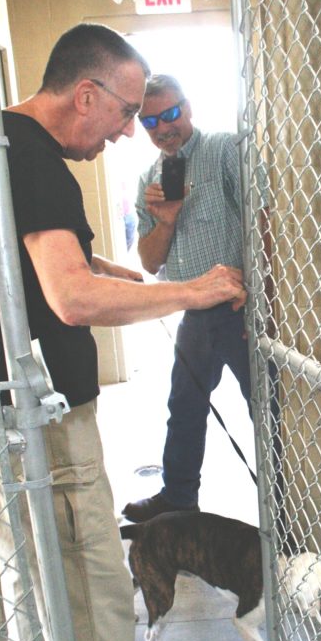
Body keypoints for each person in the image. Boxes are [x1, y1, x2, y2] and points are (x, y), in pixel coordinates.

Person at [0, 24, 246, 641]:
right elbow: (73, 295)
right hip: (39, 408)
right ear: (85, 93)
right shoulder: (38, 162)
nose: (124, 133)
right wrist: (193, 292)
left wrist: (152, 286)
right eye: (121, 114)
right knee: (90, 575)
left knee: (26, 551)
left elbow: (81, 262)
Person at [122, 74, 254, 523]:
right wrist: (166, 220)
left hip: (240, 308)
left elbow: (263, 218)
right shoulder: (149, 180)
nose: (163, 128)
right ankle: (179, 499)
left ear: (189, 106)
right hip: (194, 314)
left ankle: (287, 503)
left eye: (171, 113)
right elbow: (149, 261)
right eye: (150, 120)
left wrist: (263, 292)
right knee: (184, 406)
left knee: (267, 407)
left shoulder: (222, 150)